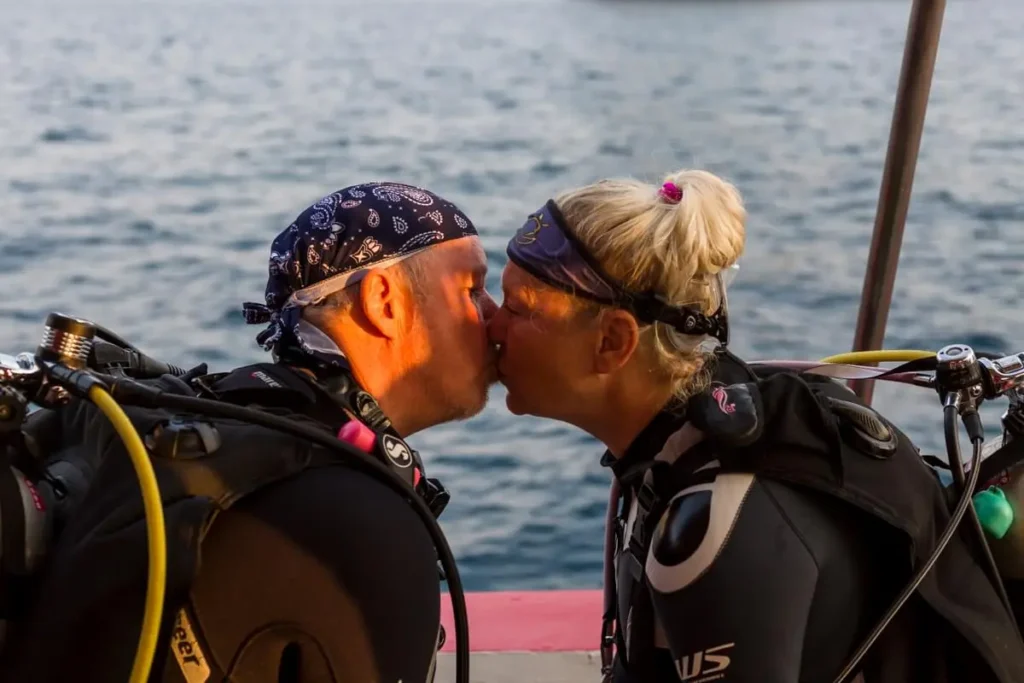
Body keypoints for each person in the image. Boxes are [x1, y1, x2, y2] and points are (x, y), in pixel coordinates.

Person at [487, 170, 1024, 683]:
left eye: (517, 307)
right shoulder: (689, 443)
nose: (490, 321)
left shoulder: (713, 523)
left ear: (612, 342)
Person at [1, 182, 497, 683]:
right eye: (472, 290)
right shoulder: (360, 520)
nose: (494, 317)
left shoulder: (221, 422)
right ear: (383, 300)